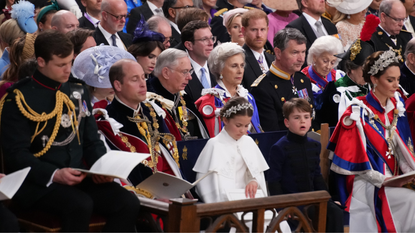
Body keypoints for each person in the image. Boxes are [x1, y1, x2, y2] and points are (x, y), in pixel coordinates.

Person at [0, 30, 140, 232]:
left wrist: (102, 169)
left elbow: (92, 141)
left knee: (127, 202)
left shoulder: (77, 90)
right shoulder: (19, 98)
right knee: (79, 205)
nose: (68, 70)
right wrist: (54, 174)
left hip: (78, 178)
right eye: (60, 65)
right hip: (37, 182)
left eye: (70, 63)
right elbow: (16, 154)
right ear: (40, 61)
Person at [329, 49, 415, 232]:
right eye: (390, 80)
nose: (396, 85)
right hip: (367, 184)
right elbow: (353, 167)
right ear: (375, 79)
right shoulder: (357, 113)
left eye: (398, 79)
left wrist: (408, 177)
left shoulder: (396, 111)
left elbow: (406, 154)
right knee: (412, 200)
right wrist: (385, 180)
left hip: (395, 179)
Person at [94, 59, 183, 187]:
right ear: (118, 85)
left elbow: (169, 158)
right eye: (135, 79)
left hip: (167, 186)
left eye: (143, 77)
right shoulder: (108, 122)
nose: (143, 84)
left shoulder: (152, 112)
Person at [267, 98, 344, 232]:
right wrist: (282, 207)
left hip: (312, 199)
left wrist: (328, 199)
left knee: (335, 212)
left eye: (306, 117)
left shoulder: (314, 145)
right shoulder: (279, 148)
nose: (302, 121)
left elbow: (317, 176)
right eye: (297, 117)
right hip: (292, 202)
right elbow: (274, 182)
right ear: (287, 122)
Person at [193, 97, 268, 203]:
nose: (243, 130)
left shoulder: (249, 142)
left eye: (246, 126)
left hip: (247, 198)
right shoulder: (214, 144)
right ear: (225, 120)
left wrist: (254, 181)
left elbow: (256, 172)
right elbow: (205, 182)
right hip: (223, 200)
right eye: (238, 125)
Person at [250, 28, 315, 132]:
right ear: (278, 53)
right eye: (295, 52)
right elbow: (272, 133)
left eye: (303, 52)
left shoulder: (303, 80)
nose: (301, 59)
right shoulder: (262, 88)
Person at [195, 42, 262, 137]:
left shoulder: (248, 97)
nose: (240, 71)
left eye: (242, 65)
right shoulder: (208, 101)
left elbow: (256, 133)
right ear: (220, 69)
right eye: (234, 66)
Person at [149, 48, 209, 140]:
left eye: (190, 71)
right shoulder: (148, 100)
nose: (190, 77)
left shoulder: (184, 98)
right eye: (184, 72)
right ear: (166, 73)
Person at [286, 0, 338, 67]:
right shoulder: (294, 28)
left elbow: (339, 53)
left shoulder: (330, 25)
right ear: (305, 3)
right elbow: (296, 61)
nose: (323, 1)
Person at [181, 20, 216, 102]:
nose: (211, 43)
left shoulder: (218, 68)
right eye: (204, 39)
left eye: (211, 38)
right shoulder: (180, 72)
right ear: (189, 45)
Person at [127, 17, 165, 91]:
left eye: (158, 58)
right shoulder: (126, 81)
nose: (154, 62)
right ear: (137, 54)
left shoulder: (157, 81)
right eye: (150, 57)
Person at [241, 9, 275, 88]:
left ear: (267, 30)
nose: (259, 35)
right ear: (243, 31)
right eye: (254, 30)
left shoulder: (273, 59)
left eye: (262, 29)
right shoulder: (239, 60)